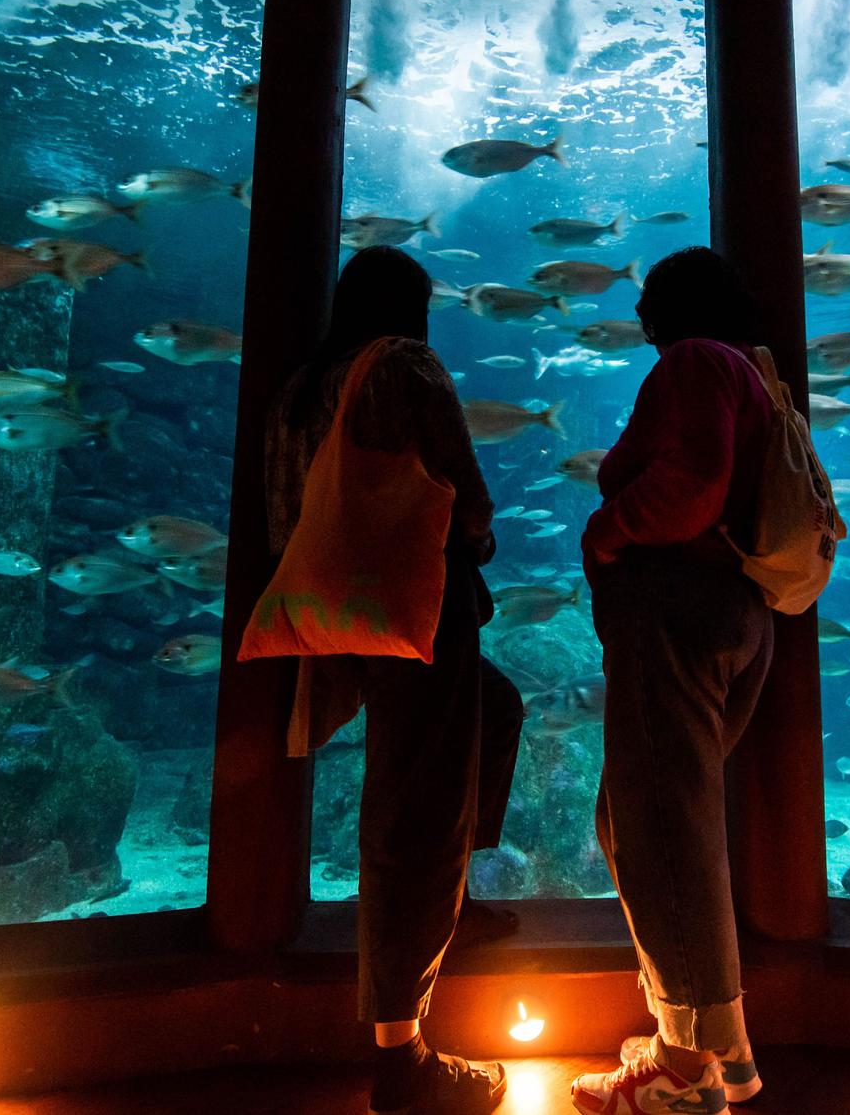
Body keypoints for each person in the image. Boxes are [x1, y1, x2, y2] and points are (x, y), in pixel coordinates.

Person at [264, 245, 523, 1115]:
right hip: (418, 610)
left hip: (337, 617)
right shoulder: (404, 366)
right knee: (415, 813)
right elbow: (468, 498)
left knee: (498, 706)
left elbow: (282, 510)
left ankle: (455, 897)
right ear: (408, 311)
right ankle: (401, 1056)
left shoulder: (304, 386)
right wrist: (475, 545)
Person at [570, 247, 776, 1115]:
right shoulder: (752, 374)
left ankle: (685, 1076)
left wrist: (606, 529)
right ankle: (712, 1048)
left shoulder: (697, 363)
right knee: (641, 818)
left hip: (677, 612)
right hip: (726, 612)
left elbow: (691, 487)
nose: (643, 312)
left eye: (651, 296)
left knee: (663, 832)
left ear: (674, 306)